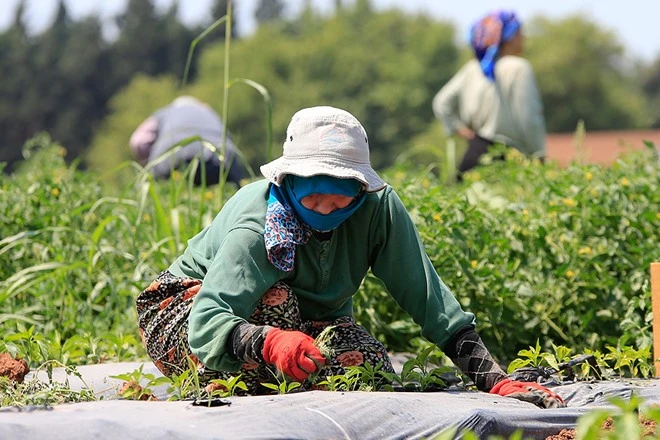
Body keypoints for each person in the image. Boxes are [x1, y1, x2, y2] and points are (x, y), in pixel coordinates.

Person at [136, 106, 564, 409]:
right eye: (315, 197)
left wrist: (495, 380)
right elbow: (209, 319)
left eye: (341, 200)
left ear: (361, 188)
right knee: (277, 305)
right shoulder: (259, 220)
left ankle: (274, 377)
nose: (327, 211)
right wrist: (269, 341)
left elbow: (429, 300)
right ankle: (234, 380)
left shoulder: (378, 210)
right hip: (183, 315)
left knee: (370, 367)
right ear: (290, 182)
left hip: (305, 323)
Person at [433, 10, 547, 177]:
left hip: (472, 157)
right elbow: (529, 118)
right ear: (508, 38)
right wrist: (539, 155)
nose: (524, 38)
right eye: (520, 33)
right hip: (508, 159)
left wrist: (460, 129)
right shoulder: (519, 67)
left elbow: (441, 102)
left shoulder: (473, 68)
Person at [130, 96, 245, 187]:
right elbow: (228, 138)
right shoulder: (209, 111)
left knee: (152, 193)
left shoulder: (164, 113)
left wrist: (148, 162)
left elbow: (138, 142)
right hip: (220, 159)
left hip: (171, 160)